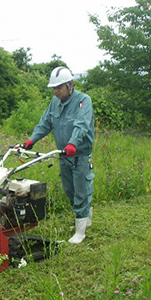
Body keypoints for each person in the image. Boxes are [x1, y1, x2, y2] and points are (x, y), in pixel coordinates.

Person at [22, 66, 95, 244]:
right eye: (54, 88)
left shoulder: (83, 101)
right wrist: (31, 141)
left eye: (59, 87)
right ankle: (85, 218)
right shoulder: (55, 103)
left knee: (81, 191)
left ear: (70, 84)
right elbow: (45, 123)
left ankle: (80, 233)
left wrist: (73, 143)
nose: (56, 91)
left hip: (80, 155)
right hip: (63, 155)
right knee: (70, 190)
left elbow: (81, 125)